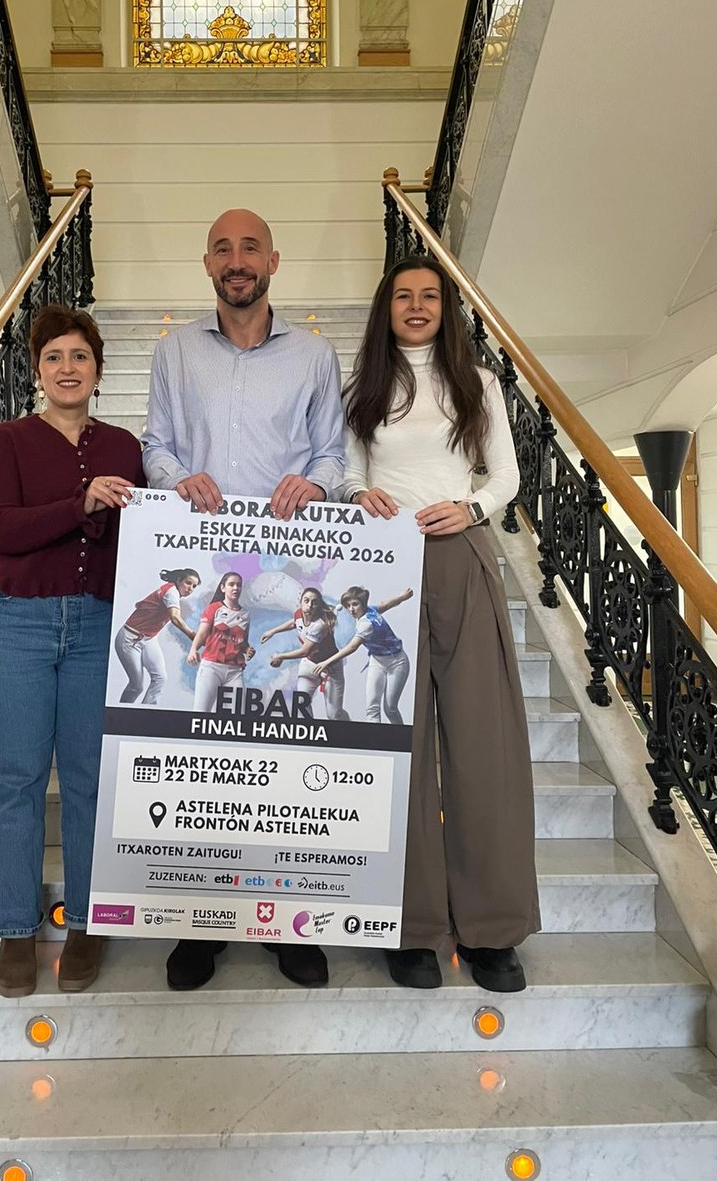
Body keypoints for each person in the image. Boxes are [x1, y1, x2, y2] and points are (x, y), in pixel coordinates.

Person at [143, 207, 345, 992]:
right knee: (207, 754)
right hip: (203, 559)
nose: (237, 260)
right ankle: (202, 924)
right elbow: (157, 442)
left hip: (288, 569)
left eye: (250, 247)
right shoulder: (173, 352)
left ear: (274, 261)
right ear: (206, 264)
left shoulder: (317, 355)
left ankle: (288, 921)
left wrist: (318, 482)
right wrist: (173, 476)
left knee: (280, 752)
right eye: (223, 248)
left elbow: (331, 449)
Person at [343, 254, 540, 995]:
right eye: (404, 295)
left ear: (444, 309)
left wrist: (472, 508)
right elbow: (345, 468)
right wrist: (360, 494)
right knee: (401, 745)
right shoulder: (362, 387)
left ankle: (492, 928)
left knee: (480, 745)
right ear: (386, 307)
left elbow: (507, 475)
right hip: (383, 568)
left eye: (430, 295)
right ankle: (411, 925)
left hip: (460, 558)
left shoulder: (477, 382)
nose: (417, 306)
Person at [0, 305, 143, 999]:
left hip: (99, 625)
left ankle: (86, 922)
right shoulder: (7, 440)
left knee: (89, 779)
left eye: (79, 356)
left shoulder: (126, 447)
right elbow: (0, 529)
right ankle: (16, 927)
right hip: (16, 624)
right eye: (54, 357)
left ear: (98, 371)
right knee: (13, 778)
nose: (67, 368)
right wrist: (82, 504)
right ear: (37, 370)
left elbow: (136, 540)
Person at [318, 585, 414, 723]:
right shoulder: (370, 610)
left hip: (397, 662)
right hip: (377, 661)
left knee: (390, 708)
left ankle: (400, 740)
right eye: (348, 605)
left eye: (355, 604)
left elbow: (352, 646)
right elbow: (385, 604)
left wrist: (326, 662)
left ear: (363, 603)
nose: (351, 609)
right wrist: (402, 597)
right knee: (372, 708)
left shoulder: (366, 623)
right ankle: (375, 741)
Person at [260, 586, 349, 720]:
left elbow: (304, 651)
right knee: (301, 703)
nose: (309, 605)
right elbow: (294, 623)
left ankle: (349, 730)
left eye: (314, 602)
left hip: (330, 667)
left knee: (334, 715)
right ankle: (311, 735)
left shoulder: (320, 625)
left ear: (319, 606)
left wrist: (280, 656)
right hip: (309, 665)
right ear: (301, 603)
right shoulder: (299, 614)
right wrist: (272, 631)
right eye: (306, 601)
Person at [114, 567, 201, 703]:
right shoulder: (171, 592)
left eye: (194, 586)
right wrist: (191, 634)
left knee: (160, 678)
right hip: (129, 639)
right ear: (179, 580)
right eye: (188, 583)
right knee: (136, 686)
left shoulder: (174, 593)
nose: (190, 588)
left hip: (149, 639)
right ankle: (122, 715)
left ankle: (145, 714)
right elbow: (175, 618)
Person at [188, 571, 254, 711]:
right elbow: (202, 634)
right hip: (212, 668)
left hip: (235, 671)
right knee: (200, 713)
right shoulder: (214, 608)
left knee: (236, 716)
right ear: (223, 588)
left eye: (239, 585)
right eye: (231, 584)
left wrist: (247, 649)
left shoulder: (245, 615)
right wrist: (193, 650)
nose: (236, 588)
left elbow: (242, 643)